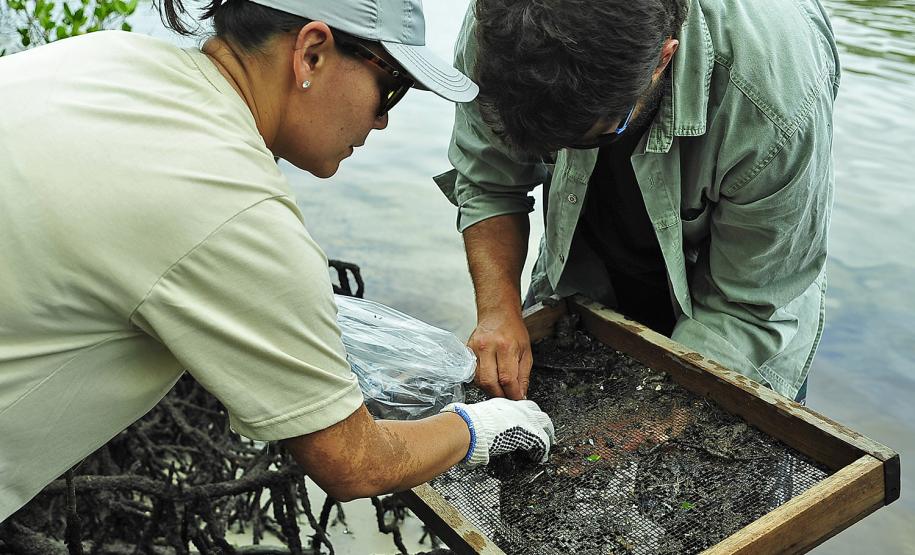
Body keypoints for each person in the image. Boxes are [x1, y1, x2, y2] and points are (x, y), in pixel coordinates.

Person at [0, 0, 556, 522]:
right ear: (311, 53)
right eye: (390, 89)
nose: (383, 121)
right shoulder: (233, 208)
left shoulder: (103, 56)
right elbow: (355, 461)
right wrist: (479, 427)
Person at [438, 0, 840, 403]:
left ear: (663, 58)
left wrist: (652, 413)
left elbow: (746, 307)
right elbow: (489, 182)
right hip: (585, 271)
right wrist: (499, 310)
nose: (561, 155)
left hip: (745, 307)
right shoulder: (500, 27)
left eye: (585, 140)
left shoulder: (772, 104)